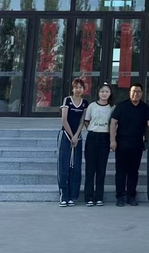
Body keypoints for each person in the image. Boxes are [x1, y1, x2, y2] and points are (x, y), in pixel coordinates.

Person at [110, 83, 148, 207]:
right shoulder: (122, 106)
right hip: (121, 143)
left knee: (133, 171)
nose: (136, 94)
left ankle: (131, 196)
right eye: (133, 91)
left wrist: (146, 141)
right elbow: (113, 122)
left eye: (138, 91)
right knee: (120, 171)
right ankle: (120, 196)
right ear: (129, 92)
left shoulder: (144, 107)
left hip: (137, 144)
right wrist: (112, 140)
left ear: (141, 93)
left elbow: (148, 125)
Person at [83, 82, 115, 207]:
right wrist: (93, 129)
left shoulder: (112, 107)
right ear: (98, 93)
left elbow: (114, 124)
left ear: (110, 93)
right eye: (102, 91)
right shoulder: (92, 106)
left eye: (106, 91)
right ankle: (89, 197)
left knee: (101, 169)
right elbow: (86, 121)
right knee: (90, 169)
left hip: (105, 138)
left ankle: (99, 197)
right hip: (92, 137)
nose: (104, 94)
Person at [58, 78, 88, 207]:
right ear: (72, 88)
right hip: (66, 136)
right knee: (64, 166)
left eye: (80, 87)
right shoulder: (67, 100)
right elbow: (64, 120)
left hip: (78, 136)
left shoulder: (85, 103)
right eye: (76, 87)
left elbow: (82, 121)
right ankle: (63, 195)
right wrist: (71, 136)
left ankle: (72, 196)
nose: (78, 90)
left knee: (75, 167)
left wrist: (76, 136)